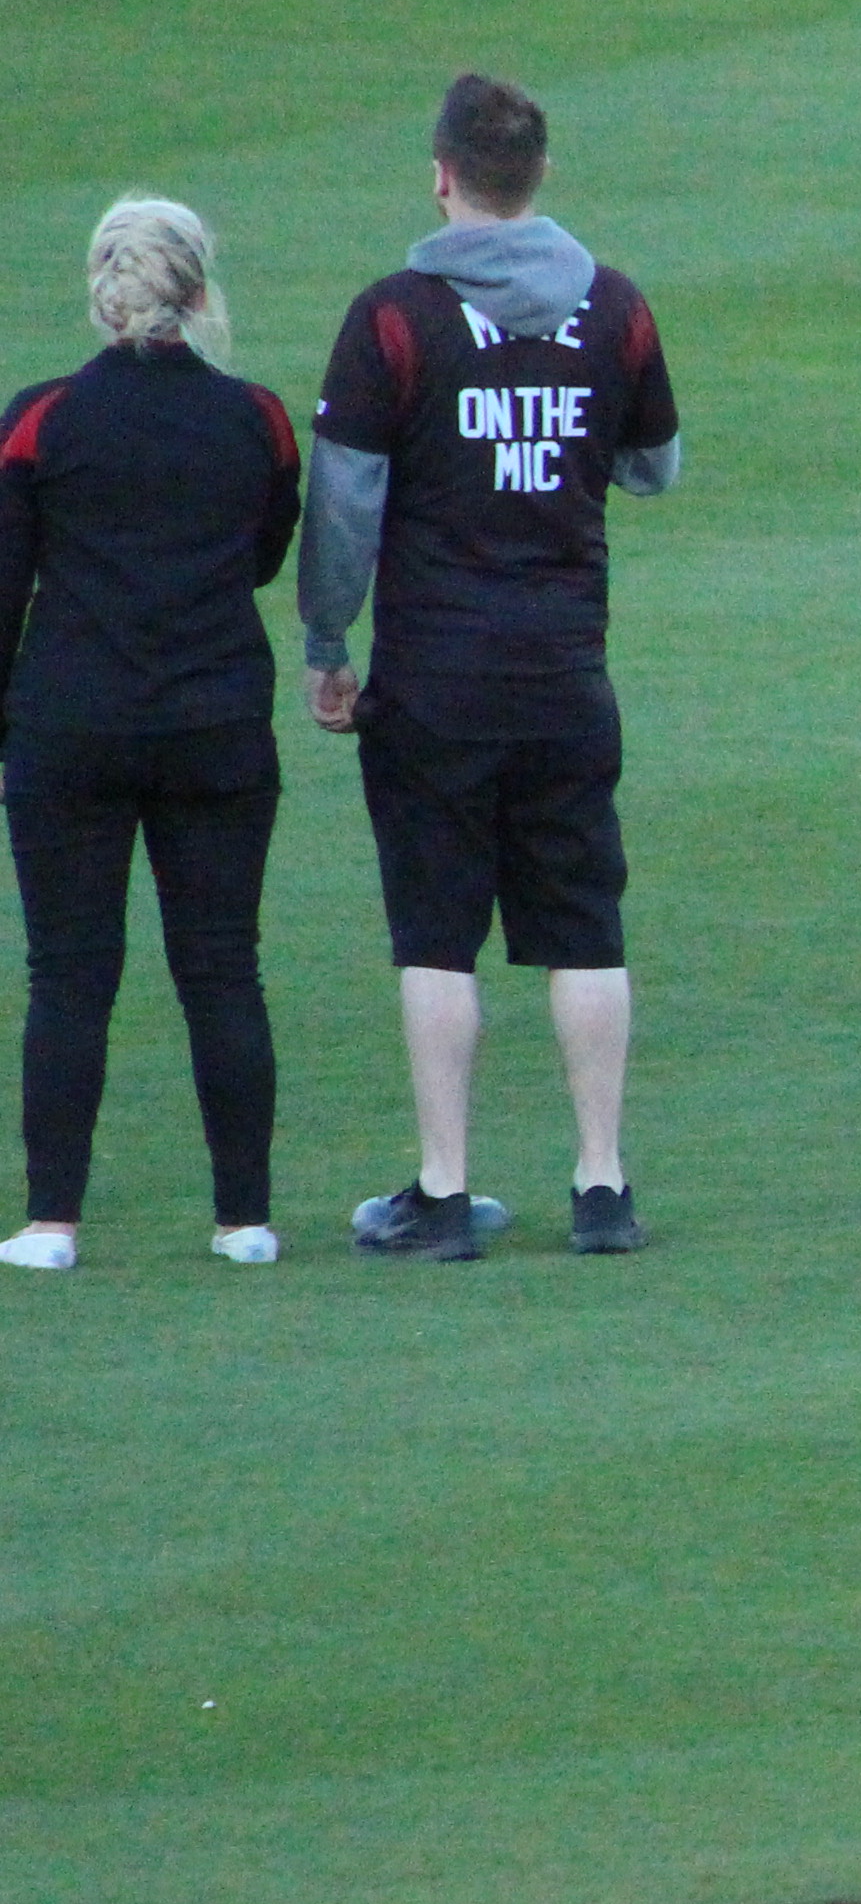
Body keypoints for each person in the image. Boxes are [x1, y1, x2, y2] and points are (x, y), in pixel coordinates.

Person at [302, 72, 684, 1259]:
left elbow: (345, 505)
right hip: (567, 673)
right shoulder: (614, 306)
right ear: (539, 175)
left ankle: (445, 1191)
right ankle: (602, 1186)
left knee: (436, 936)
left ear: (441, 175)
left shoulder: (394, 319)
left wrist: (326, 643)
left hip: (434, 680)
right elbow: (655, 467)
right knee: (586, 929)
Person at [1, 199, 298, 1273]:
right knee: (222, 969)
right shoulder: (254, 417)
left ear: (101, 289)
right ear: (199, 290)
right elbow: (265, 554)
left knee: (69, 975)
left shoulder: (42, 418)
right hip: (215, 722)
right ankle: (244, 1221)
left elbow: (4, 588)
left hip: (71, 724)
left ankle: (52, 1224)